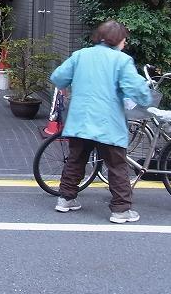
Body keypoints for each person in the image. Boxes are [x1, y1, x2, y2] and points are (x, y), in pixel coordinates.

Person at [49, 20, 151, 224]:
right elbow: (138, 90)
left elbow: (58, 77)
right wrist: (147, 100)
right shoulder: (121, 61)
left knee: (76, 160)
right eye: (124, 40)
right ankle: (121, 209)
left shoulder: (80, 55)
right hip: (107, 122)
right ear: (119, 40)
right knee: (116, 166)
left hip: (81, 119)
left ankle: (65, 199)